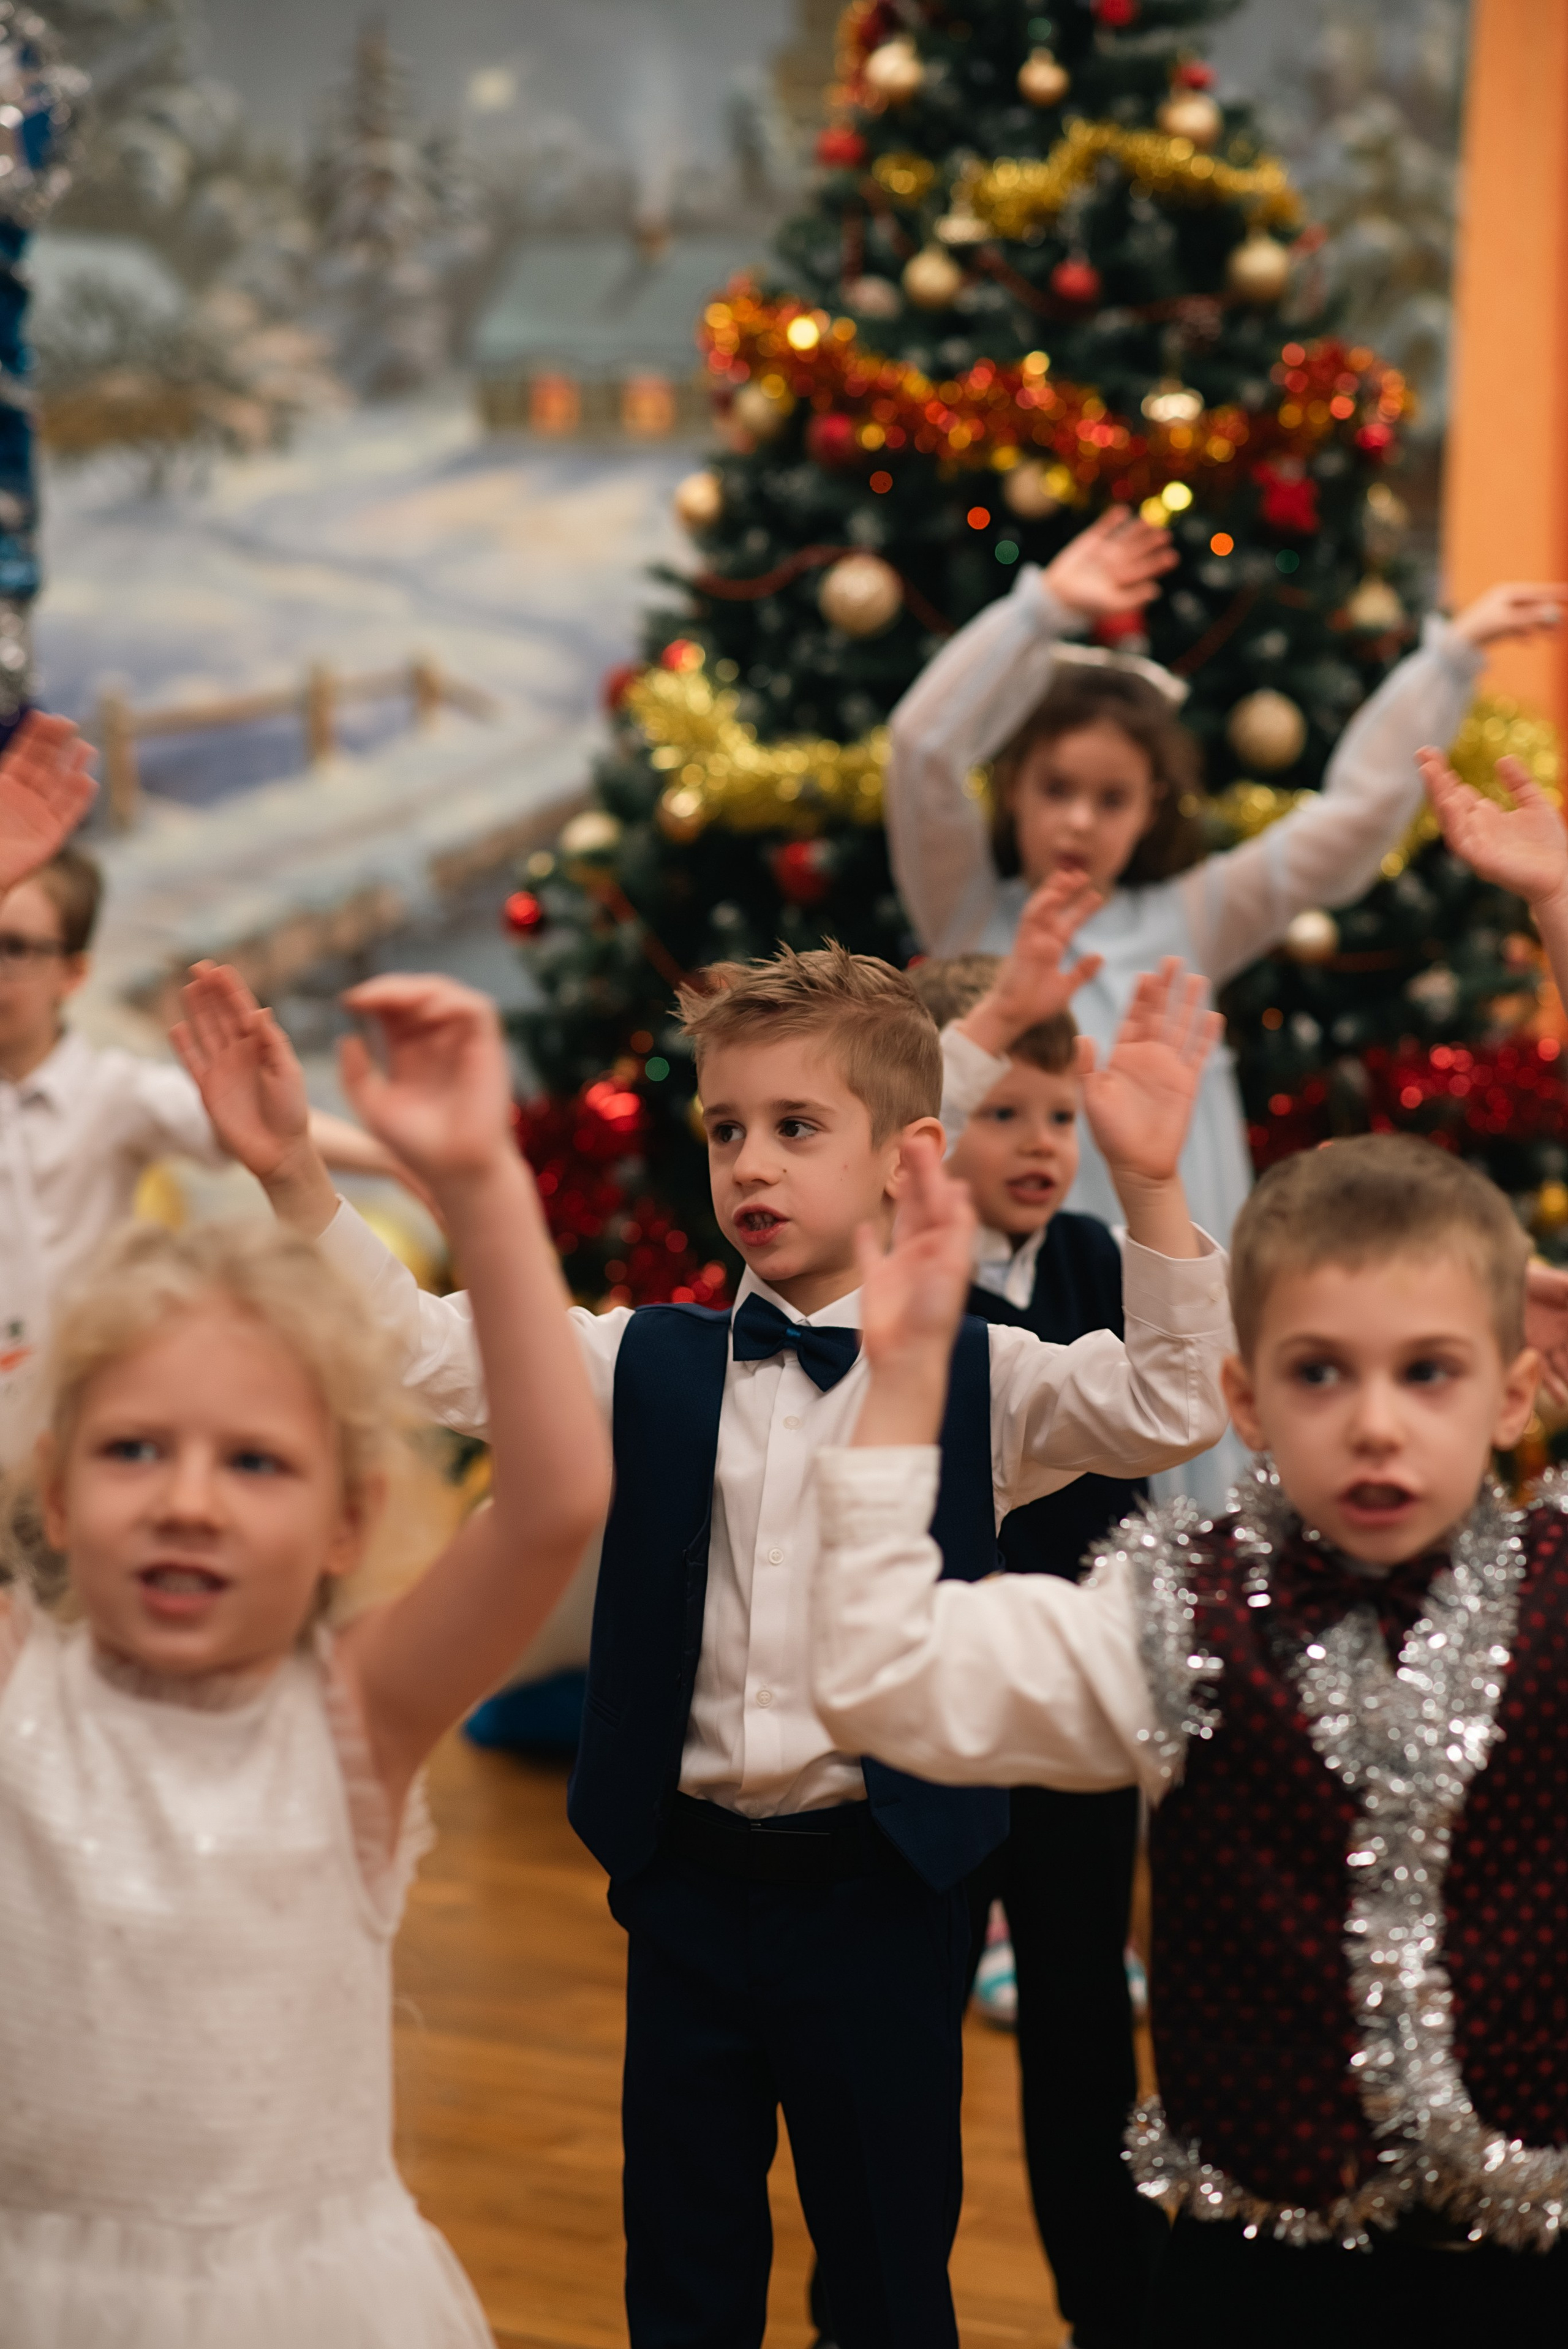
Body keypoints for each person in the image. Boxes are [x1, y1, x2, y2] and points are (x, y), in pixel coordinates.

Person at [175, 941, 1232, 2349]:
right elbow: (427, 1349)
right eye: (727, 1129)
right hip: (682, 1887)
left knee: (885, 2269)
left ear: (904, 1156)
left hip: (883, 1886)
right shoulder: (643, 1358)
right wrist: (294, 1179)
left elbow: (1169, 1401)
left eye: (795, 1127)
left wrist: (1149, 1184)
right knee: (681, 2261)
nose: (751, 1163)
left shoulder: (981, 1370)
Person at [809, 1125, 1568, 2348]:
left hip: (1532, 2271)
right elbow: (883, 1678)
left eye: (1428, 1371)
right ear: (1245, 1401)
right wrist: (900, 1391)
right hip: (1254, 2283)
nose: (1375, 1423)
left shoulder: (1558, 1592)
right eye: (1319, 1373)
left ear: (1512, 1394)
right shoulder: (1174, 1613)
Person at [0, 970, 610, 2347]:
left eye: (256, 1462)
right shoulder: (16, 1690)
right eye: (133, 1449)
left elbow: (557, 1496)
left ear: (348, 1519)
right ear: (57, 1493)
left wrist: (480, 1179)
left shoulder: (355, 1717)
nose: (189, 1502)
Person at [886, 511, 1563, 1506]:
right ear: (1013, 790)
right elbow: (920, 752)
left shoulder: (1192, 919)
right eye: (1056, 788)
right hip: (1004, 1317)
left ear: (1152, 808)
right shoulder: (967, 909)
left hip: (1178, 1314)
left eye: (1111, 798)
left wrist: (1448, 660)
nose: (1078, 820)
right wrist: (1040, 610)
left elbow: (1347, 824)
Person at [910, 934, 1164, 2349]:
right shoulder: (890, 1280)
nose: (1038, 1144)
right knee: (902, 2037)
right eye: (999, 1110)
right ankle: (871, 2305)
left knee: (1080, 2022)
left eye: (1059, 1115)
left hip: (1071, 1717)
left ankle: (1109, 2307)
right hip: (931, 1715)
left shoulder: (1098, 1264)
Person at [0, 752, 421, 1471]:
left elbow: (251, 1124)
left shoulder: (111, 1091)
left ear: (74, 972)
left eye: (15, 948)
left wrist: (393, 1158)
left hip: (64, 1433)